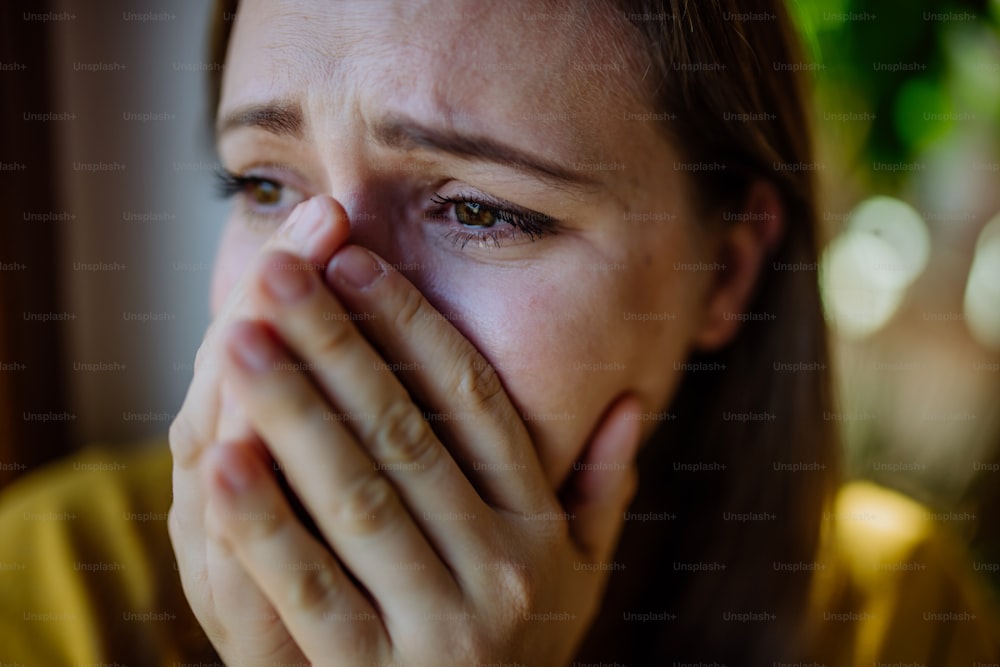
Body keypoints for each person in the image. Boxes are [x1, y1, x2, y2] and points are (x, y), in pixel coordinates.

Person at [2, 0, 999, 664]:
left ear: (723, 271)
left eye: (481, 210)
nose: (313, 298)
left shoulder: (899, 623)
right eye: (265, 184)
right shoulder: (51, 586)